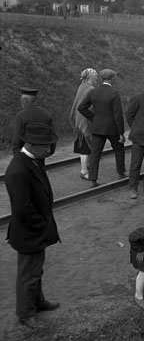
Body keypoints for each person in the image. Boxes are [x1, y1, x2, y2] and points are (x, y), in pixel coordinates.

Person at [5, 123, 61, 328]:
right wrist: (41, 224)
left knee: (36, 271)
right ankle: (25, 314)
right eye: (46, 145)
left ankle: (38, 302)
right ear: (31, 144)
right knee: (28, 274)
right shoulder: (19, 170)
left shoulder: (32, 160)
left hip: (35, 231)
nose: (49, 149)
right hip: (30, 232)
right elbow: (22, 208)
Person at [78, 69, 126, 187]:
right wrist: (121, 133)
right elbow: (118, 115)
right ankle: (121, 172)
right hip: (112, 128)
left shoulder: (93, 92)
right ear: (112, 79)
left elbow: (81, 107)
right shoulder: (114, 93)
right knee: (119, 149)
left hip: (97, 127)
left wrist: (93, 118)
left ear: (101, 79)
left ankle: (93, 178)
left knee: (95, 153)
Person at [69, 68, 97, 180]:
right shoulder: (90, 89)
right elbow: (90, 105)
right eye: (95, 76)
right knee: (85, 146)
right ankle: (84, 171)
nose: (97, 78)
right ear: (90, 77)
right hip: (85, 120)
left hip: (79, 119)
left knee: (85, 145)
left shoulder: (81, 86)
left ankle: (87, 166)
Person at [12, 87, 55, 156]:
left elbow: (17, 140)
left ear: (25, 100)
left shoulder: (21, 115)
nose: (21, 103)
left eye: (21, 100)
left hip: (25, 155)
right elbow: (52, 136)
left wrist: (17, 157)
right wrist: (49, 152)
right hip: (42, 154)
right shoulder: (46, 114)